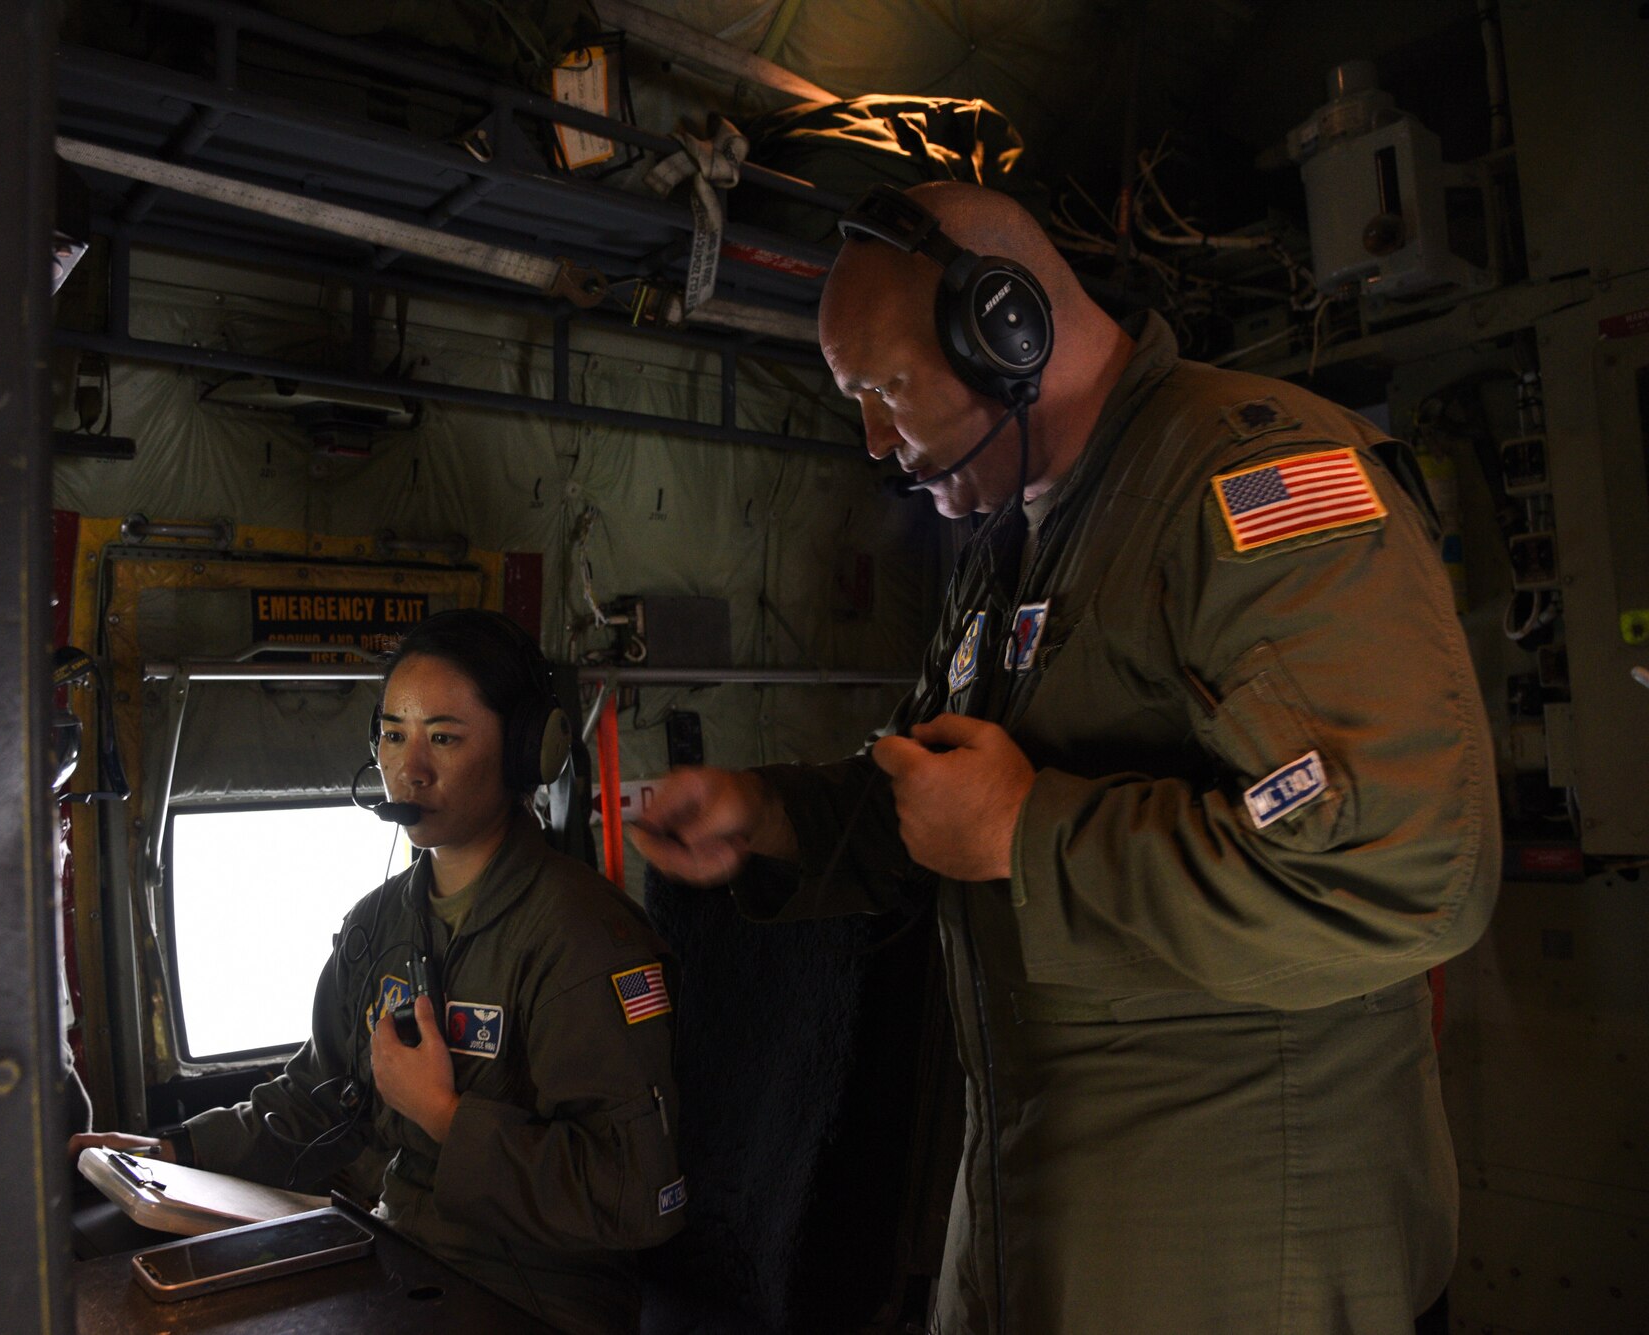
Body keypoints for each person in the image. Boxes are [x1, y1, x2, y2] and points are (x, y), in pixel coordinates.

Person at [630, 182, 1498, 1333]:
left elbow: (1406, 867)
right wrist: (770, 817)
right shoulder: (1016, 543)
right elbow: (950, 792)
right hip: (1034, 1217)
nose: (876, 446)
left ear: (1006, 328)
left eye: (883, 391)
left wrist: (1025, 835)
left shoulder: (1247, 489)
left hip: (1244, 1254)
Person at [75, 609, 686, 1334]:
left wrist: (444, 1117)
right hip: (401, 1259)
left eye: (444, 738)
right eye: (394, 734)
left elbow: (636, 1193)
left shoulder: (584, 937)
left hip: (540, 1300)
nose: (410, 766)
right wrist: (177, 1150)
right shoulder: (377, 926)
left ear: (529, 751)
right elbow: (320, 1097)